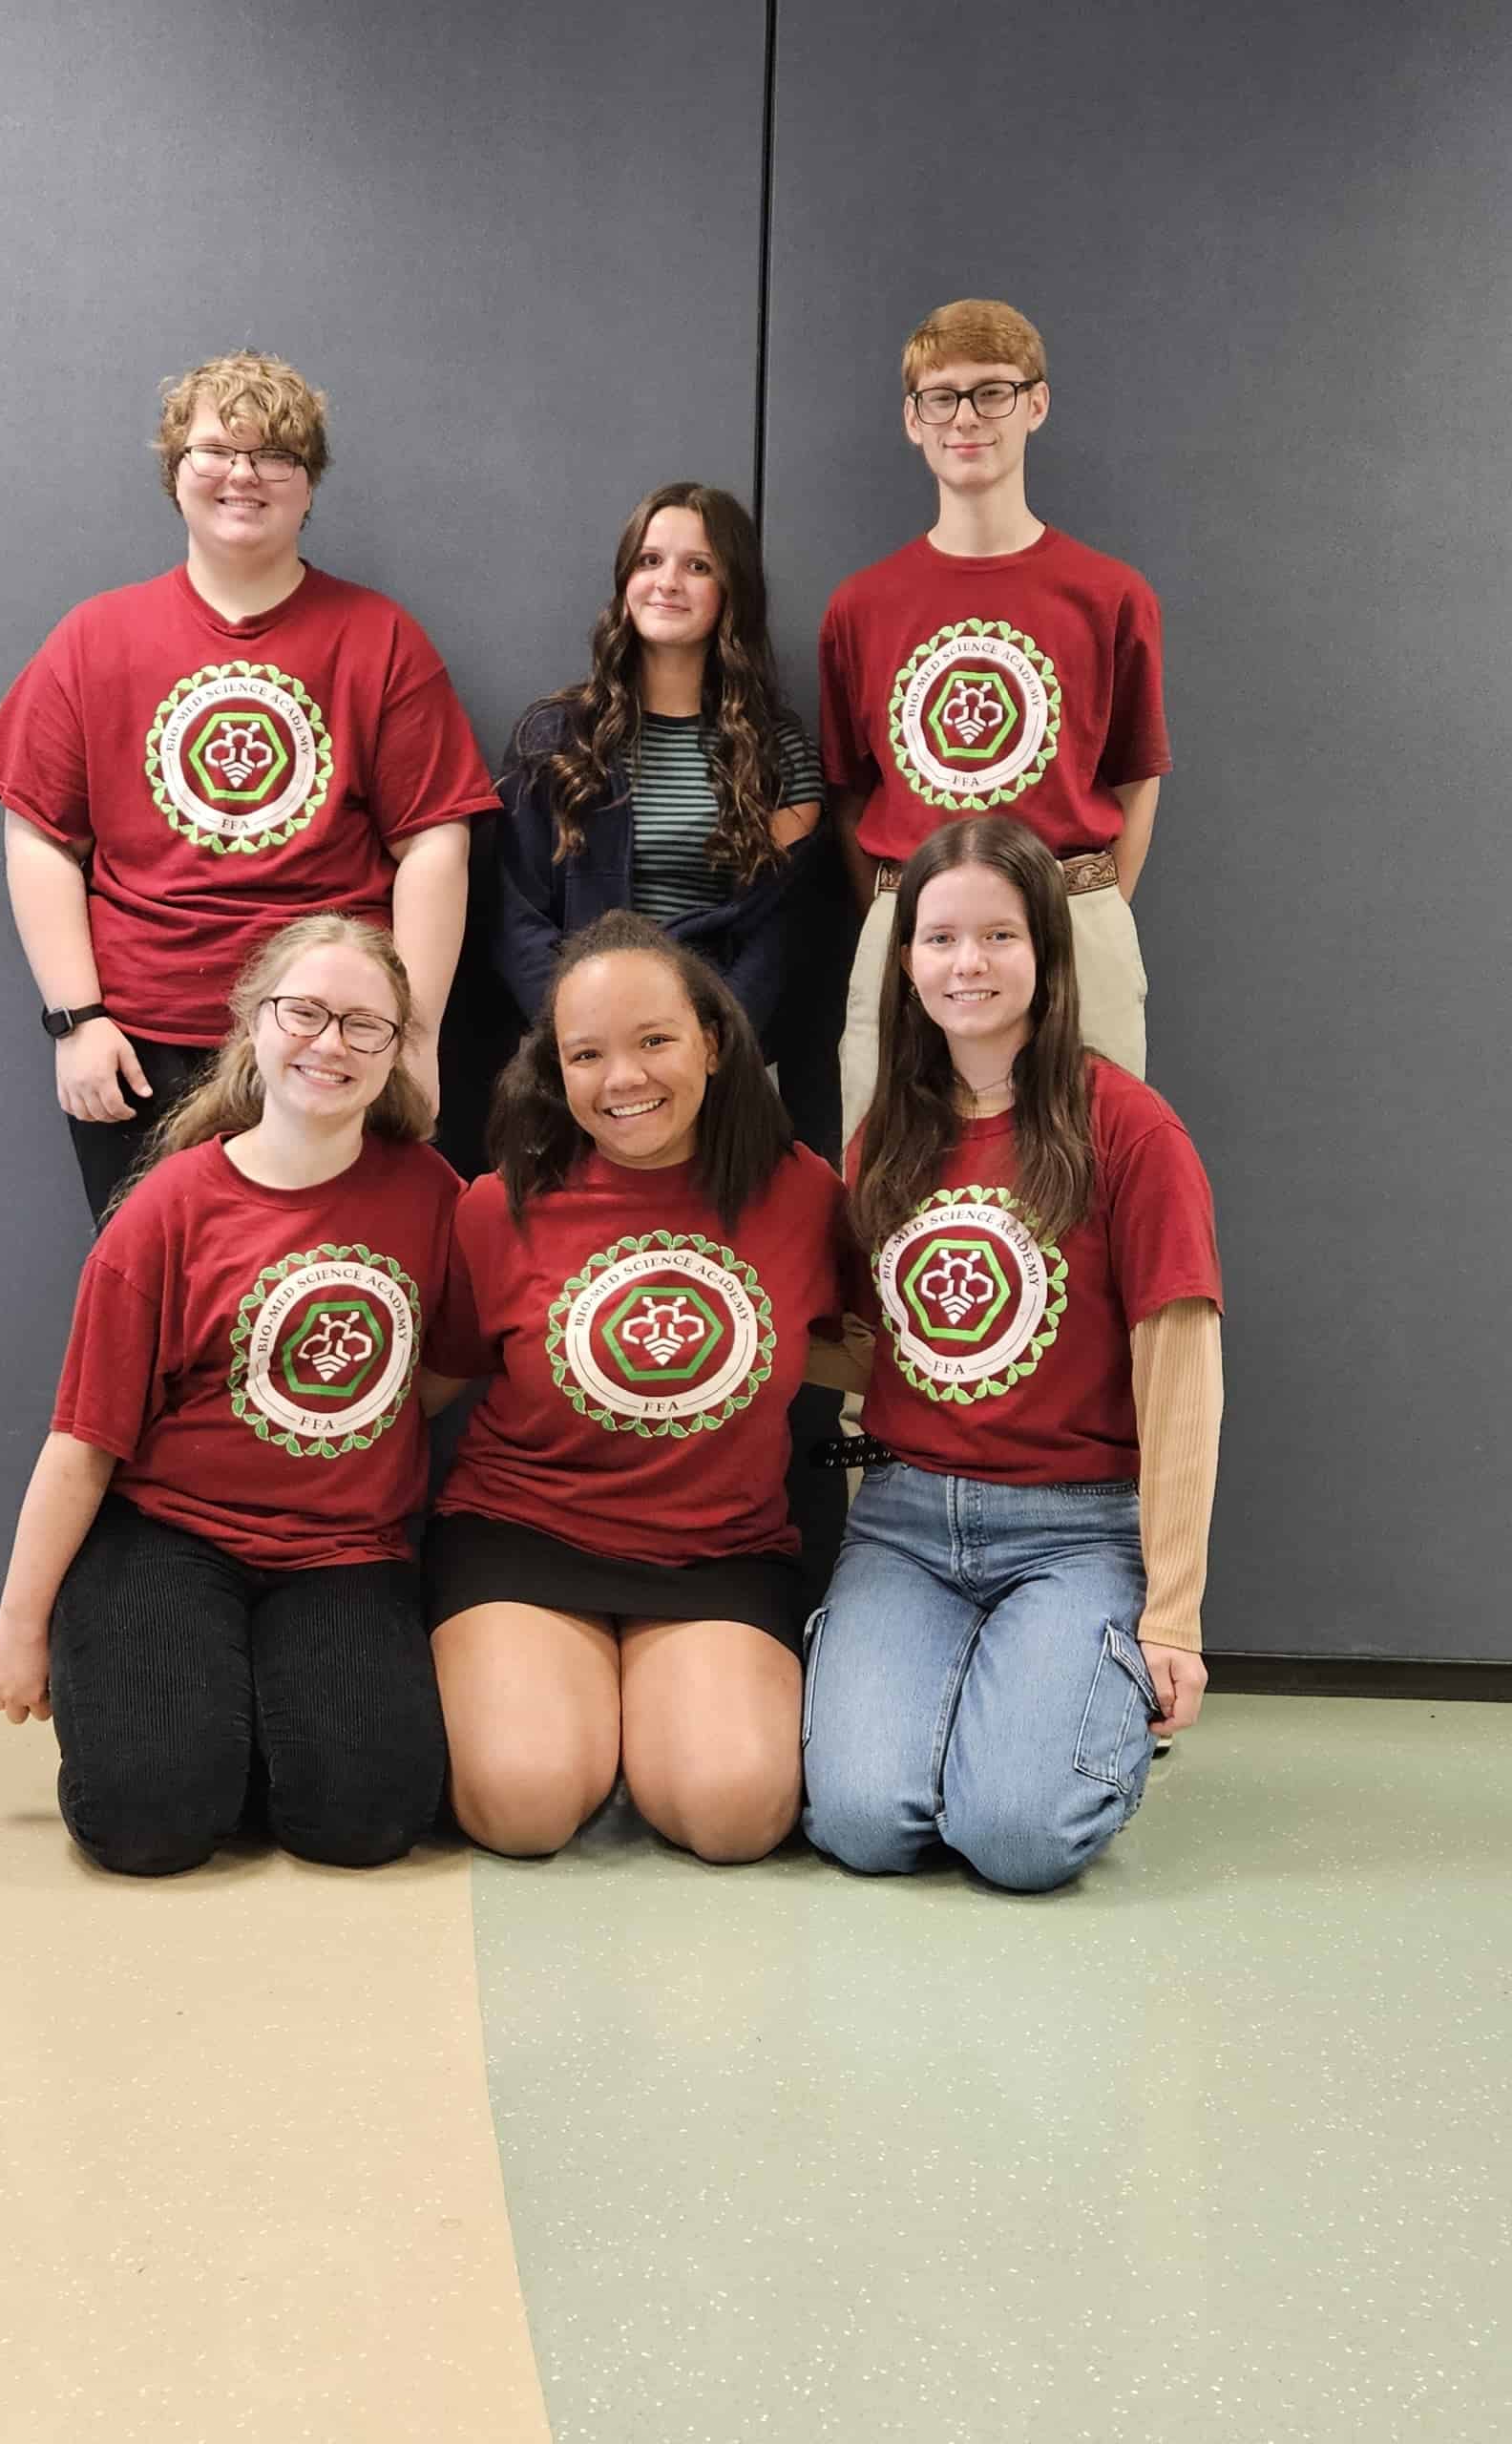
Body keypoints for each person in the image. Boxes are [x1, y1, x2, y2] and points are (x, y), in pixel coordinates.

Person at [0, 350, 497, 1221]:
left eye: (275, 456)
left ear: (310, 485)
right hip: (143, 1048)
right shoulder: (94, 638)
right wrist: (76, 1021)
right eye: (215, 450)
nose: (242, 476)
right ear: (175, 472)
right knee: (154, 1303)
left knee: (323, 1298)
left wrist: (414, 1037)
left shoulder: (382, 639)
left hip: (331, 1043)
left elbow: (436, 842)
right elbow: (38, 835)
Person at [0, 914, 459, 1875]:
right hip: (168, 1533)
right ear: (252, 1024)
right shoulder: (169, 1207)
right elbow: (83, 1442)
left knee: (363, 1824)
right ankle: (176, 1714)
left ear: (398, 1050)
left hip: (343, 1549)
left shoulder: (436, 1196)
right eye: (305, 1012)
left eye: (365, 1025)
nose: (330, 1043)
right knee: (147, 1826)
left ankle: (236, 1719)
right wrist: (20, 1625)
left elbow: (444, 1368)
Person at [801, 819, 1223, 1893]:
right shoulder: (884, 1135)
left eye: (999, 935)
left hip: (1075, 1528)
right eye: (940, 939)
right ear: (905, 964)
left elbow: (1179, 1377)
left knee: (1020, 1839)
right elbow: (877, 1349)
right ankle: (996, 1713)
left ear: (1046, 952)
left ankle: (1080, 1707)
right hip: (905, 1521)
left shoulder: (1130, 1130)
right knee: (861, 1824)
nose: (968, 964)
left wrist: (1171, 1611)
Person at [425, 911, 855, 1865]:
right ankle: (580, 1718)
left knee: (736, 1815)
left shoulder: (801, 1193)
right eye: (587, 1054)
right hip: (523, 1535)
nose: (622, 1079)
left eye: (654, 1040)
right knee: (522, 1806)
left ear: (711, 1041)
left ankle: (643, 1721)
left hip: (718, 1551)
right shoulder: (496, 1207)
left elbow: (861, 1353)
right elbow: (434, 1382)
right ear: (556, 1069)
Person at [820, 299, 1171, 1139]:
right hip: (915, 926)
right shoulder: (861, 607)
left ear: (1036, 405)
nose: (966, 418)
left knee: (1091, 1165)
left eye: (992, 393)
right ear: (913, 421)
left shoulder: (1110, 595)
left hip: (1072, 913)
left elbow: (1135, 777)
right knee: (889, 1172)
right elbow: (848, 793)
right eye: (941, 397)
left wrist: (1075, 909)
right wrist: (901, 917)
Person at [490, 483, 823, 1046]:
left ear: (731, 590)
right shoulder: (552, 737)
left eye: (697, 566)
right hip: (574, 1047)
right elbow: (514, 915)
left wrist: (708, 1047)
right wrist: (580, 1036)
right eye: (650, 561)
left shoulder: (776, 747)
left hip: (719, 1047)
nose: (667, 582)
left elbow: (776, 934)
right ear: (625, 581)